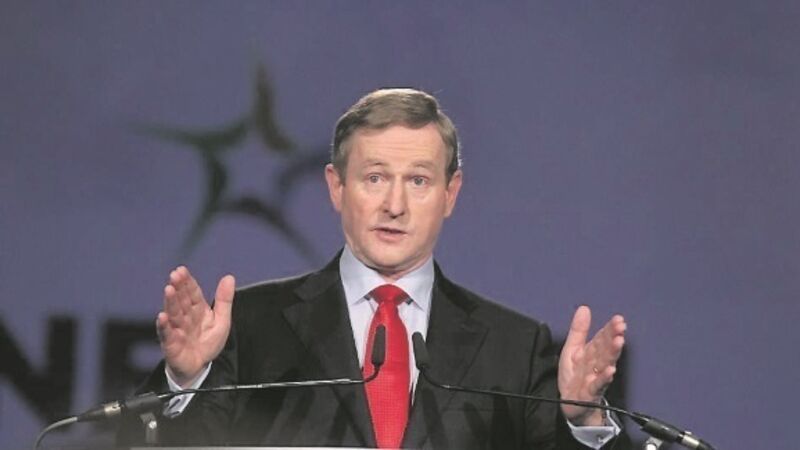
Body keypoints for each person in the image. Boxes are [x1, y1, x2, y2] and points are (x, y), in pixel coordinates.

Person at [119, 88, 629, 449]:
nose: (395, 206)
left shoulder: (513, 347)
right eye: (375, 178)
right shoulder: (249, 327)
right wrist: (184, 384)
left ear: (451, 194)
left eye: (419, 181)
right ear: (336, 187)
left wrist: (582, 420)